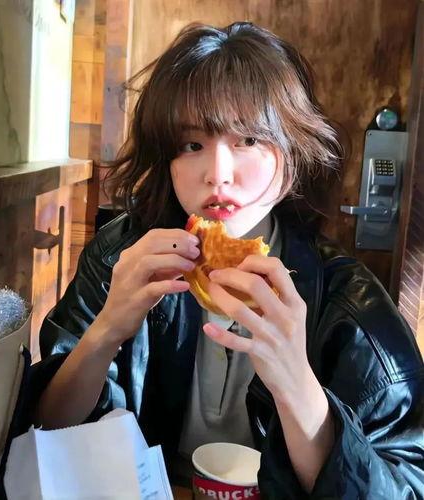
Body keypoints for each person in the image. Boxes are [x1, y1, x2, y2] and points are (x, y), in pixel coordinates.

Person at [30, 22, 424, 498]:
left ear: (294, 152)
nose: (217, 174)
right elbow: (47, 432)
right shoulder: (121, 258)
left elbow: (403, 483)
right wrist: (108, 329)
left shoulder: (349, 304)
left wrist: (296, 384)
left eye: (249, 140)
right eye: (191, 145)